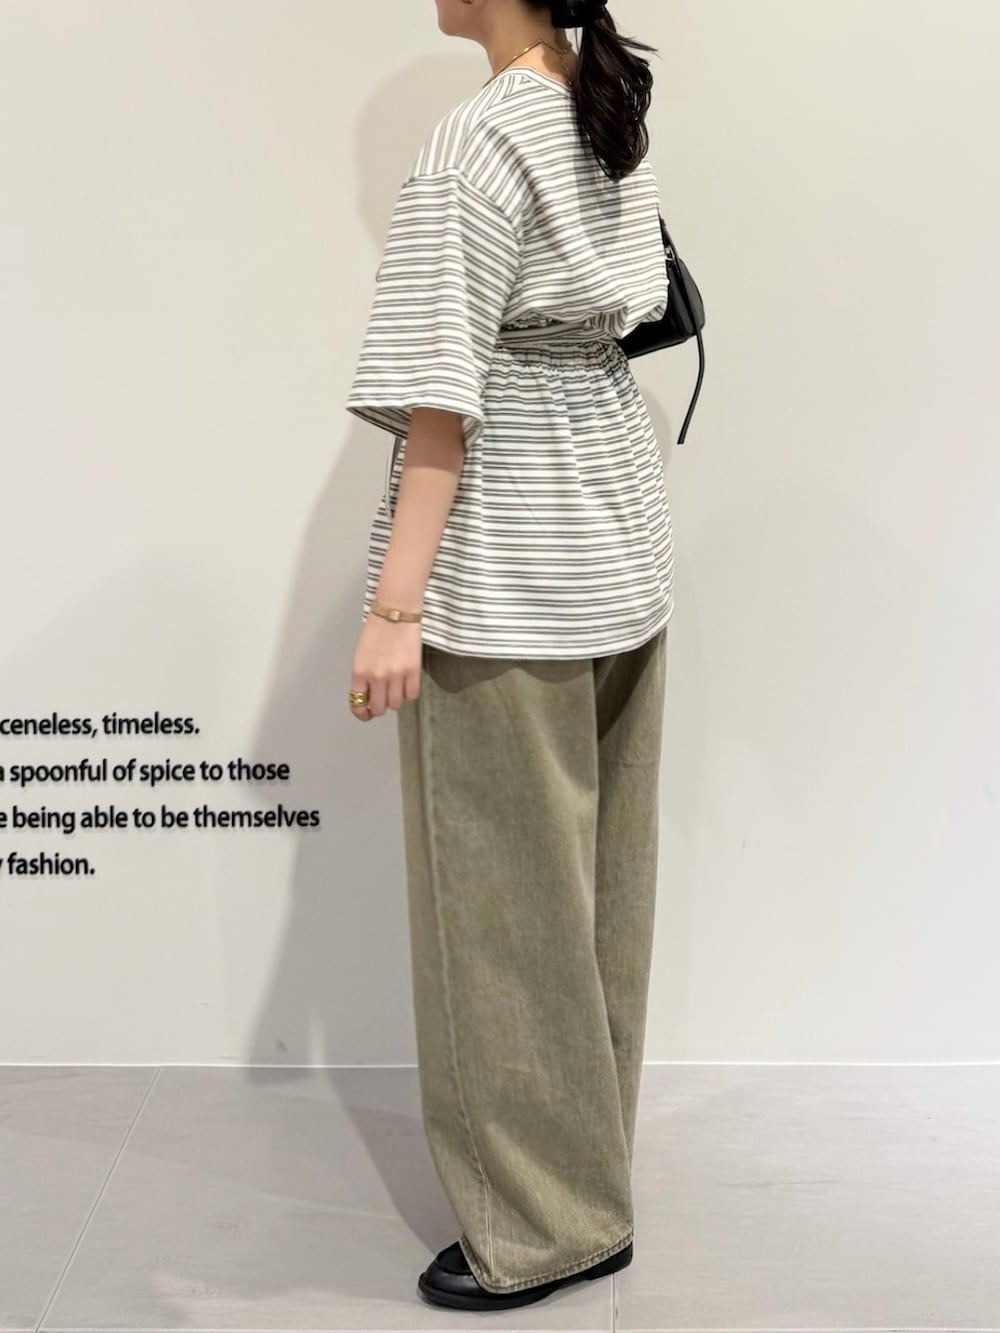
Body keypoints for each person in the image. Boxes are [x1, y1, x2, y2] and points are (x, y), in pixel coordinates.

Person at [344, 0, 673, 1312]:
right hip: (618, 546)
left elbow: (443, 399)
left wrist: (394, 607)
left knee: (499, 913)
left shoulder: (474, 142)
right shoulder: (609, 115)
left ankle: (541, 1227)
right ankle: (587, 1190)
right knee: (596, 902)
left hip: (509, 572)